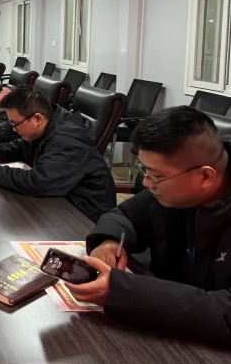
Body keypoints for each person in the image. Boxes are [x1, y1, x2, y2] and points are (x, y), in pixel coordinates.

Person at [65, 107, 231, 345]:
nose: (146, 182)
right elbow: (125, 214)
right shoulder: (174, 192)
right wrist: (110, 241)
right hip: (167, 333)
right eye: (145, 170)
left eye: (156, 175)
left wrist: (123, 292)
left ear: (205, 177)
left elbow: (226, 314)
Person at [0, 87, 116, 222]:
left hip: (83, 220)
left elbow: (39, 182)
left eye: (15, 124)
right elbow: (21, 147)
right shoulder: (47, 126)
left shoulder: (67, 142)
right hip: (60, 204)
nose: (13, 130)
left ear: (37, 119)